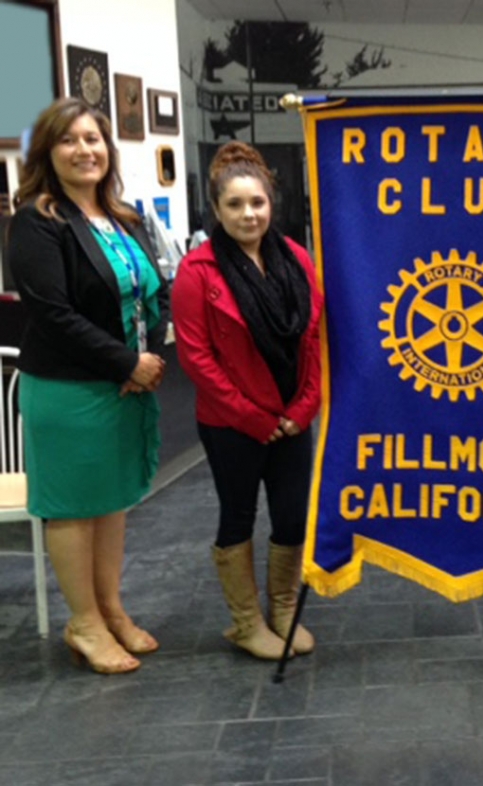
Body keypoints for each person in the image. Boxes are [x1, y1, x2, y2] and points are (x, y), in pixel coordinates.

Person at [8, 98, 168, 674]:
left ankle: (110, 609)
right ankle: (83, 623)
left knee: (111, 503)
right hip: (70, 389)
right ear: (49, 153)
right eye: (69, 140)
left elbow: (154, 289)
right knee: (76, 509)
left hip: (122, 385)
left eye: (94, 139)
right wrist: (126, 363)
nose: (85, 150)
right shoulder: (36, 221)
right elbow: (53, 313)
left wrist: (146, 357)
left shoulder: (122, 217)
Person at [172, 142, 322, 660]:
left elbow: (314, 339)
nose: (248, 214)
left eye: (256, 202)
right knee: (238, 515)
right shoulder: (198, 271)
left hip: (292, 421)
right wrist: (254, 418)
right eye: (234, 205)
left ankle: (282, 610)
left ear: (270, 204)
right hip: (232, 423)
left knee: (292, 515)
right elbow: (197, 359)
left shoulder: (297, 260)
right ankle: (246, 622)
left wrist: (303, 409)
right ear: (216, 210)